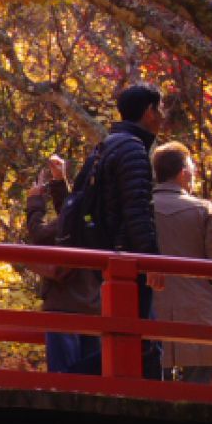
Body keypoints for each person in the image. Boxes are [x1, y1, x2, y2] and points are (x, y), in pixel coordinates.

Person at [77, 83, 167, 379]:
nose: (163, 116)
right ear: (148, 112)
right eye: (159, 108)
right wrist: (151, 260)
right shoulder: (133, 149)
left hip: (106, 253)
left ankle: (72, 379)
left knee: (128, 336)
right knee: (139, 337)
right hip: (126, 258)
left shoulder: (107, 144)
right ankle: (70, 379)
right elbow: (137, 209)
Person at [149, 143, 212, 384]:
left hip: (151, 308)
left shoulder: (142, 210)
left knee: (153, 380)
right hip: (199, 309)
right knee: (200, 388)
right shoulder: (202, 209)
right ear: (183, 173)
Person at [22, 153, 101, 374]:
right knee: (92, 374)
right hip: (93, 300)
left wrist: (35, 202)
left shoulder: (82, 211)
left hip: (65, 300)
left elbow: (41, 234)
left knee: (63, 374)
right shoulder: (99, 211)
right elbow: (70, 215)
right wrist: (59, 182)